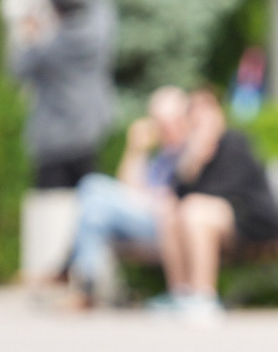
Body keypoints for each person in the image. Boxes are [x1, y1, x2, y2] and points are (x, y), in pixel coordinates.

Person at [8, 0, 118, 284]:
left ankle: (50, 271)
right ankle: (85, 270)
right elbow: (104, 2)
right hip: (90, 132)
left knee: (50, 206)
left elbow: (17, 69)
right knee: (90, 201)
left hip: (53, 138)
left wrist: (30, 29)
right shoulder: (99, 35)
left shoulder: (49, 46)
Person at [158, 86, 278, 320]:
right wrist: (192, 163)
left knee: (195, 209)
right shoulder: (191, 152)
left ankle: (204, 296)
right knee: (170, 212)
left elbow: (224, 191)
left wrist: (200, 156)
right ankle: (181, 294)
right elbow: (177, 194)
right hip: (211, 216)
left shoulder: (235, 143)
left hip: (249, 219)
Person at [66, 85, 188, 307]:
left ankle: (83, 279)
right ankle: (88, 277)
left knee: (92, 188)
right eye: (155, 119)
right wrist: (135, 149)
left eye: (164, 119)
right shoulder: (161, 157)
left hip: (164, 224)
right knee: (93, 201)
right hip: (145, 216)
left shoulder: (187, 153)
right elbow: (128, 190)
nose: (159, 126)